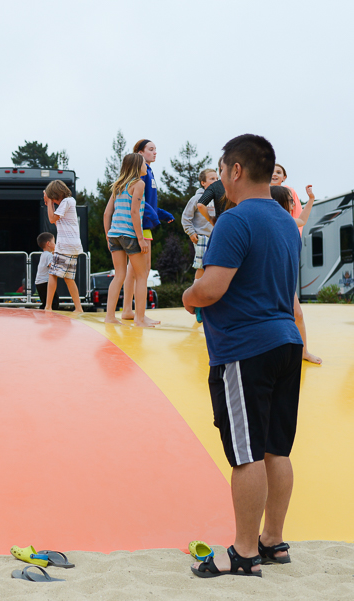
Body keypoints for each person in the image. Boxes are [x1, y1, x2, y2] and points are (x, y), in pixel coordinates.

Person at [183, 134, 302, 579]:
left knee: (246, 455)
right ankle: (274, 541)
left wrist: (189, 297)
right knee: (277, 448)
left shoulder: (235, 220)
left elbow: (211, 288)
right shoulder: (286, 222)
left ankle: (244, 552)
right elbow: (290, 295)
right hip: (285, 341)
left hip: (245, 348)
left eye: (223, 170)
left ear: (235, 170)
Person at [121, 139, 172, 325]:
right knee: (142, 270)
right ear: (140, 153)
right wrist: (154, 216)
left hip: (145, 223)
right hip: (142, 225)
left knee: (132, 270)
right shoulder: (142, 174)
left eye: (155, 149)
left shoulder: (148, 172)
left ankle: (128, 309)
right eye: (150, 149)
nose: (155, 152)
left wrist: (161, 214)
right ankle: (137, 314)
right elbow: (140, 202)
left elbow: (148, 203)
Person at [271, 184, 321, 365]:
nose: (293, 204)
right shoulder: (269, 221)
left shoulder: (289, 221)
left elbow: (303, 220)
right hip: (270, 279)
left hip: (285, 278)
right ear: (280, 202)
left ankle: (303, 351)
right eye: (291, 201)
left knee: (297, 314)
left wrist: (311, 200)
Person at [103, 154, 151, 327]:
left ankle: (109, 316)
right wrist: (141, 239)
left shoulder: (118, 185)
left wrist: (108, 236)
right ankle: (139, 319)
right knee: (142, 275)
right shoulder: (139, 184)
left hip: (114, 234)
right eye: (144, 163)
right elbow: (134, 212)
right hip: (130, 235)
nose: (146, 166)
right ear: (138, 166)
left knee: (119, 275)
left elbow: (106, 213)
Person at [182, 168, 219, 322]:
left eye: (217, 178)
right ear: (203, 183)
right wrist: (191, 233)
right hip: (203, 238)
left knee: (217, 271)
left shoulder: (221, 197)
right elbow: (186, 218)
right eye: (211, 179)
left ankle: (214, 306)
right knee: (201, 268)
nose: (215, 181)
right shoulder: (196, 199)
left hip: (218, 237)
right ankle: (198, 304)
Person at [43, 181, 84, 315]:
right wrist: (50, 202)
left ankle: (48, 306)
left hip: (65, 246)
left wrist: (49, 203)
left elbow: (51, 219)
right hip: (73, 246)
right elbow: (57, 223)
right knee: (68, 278)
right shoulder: (68, 203)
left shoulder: (66, 202)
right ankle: (78, 308)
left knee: (53, 273)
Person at [34, 232, 56, 310]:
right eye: (54, 242)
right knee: (54, 302)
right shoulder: (49, 255)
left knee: (45, 302)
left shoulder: (44, 254)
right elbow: (52, 266)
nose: (55, 244)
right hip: (45, 283)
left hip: (39, 283)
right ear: (48, 243)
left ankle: (42, 316)